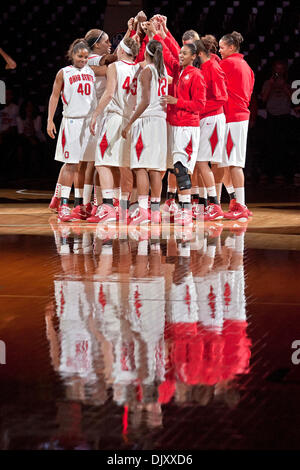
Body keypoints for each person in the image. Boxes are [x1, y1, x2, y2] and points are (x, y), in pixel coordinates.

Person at [148, 22, 206, 226]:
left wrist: (176, 102)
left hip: (188, 127)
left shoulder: (196, 75)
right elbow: (168, 54)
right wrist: (158, 34)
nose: (180, 55)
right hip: (174, 124)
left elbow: (200, 105)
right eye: (180, 53)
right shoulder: (180, 71)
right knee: (174, 168)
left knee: (181, 169)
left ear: (194, 56)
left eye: (184, 53)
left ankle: (186, 210)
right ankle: (179, 207)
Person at [89, 37, 141, 224]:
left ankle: (109, 207)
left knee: (102, 163)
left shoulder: (114, 67)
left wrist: (96, 114)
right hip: (132, 121)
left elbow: (109, 93)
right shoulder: (138, 68)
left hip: (114, 118)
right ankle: (124, 206)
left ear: (121, 50)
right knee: (125, 165)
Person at [47, 38, 97, 222]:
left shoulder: (92, 72)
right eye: (79, 56)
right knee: (71, 165)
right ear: (72, 55)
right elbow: (54, 96)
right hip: (72, 122)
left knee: (87, 164)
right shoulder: (64, 73)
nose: (83, 59)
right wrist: (50, 120)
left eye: (86, 57)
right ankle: (64, 205)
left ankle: (81, 204)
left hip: (89, 124)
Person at [122, 39, 168, 225]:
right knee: (155, 169)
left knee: (140, 166)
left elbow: (146, 100)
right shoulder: (163, 72)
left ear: (146, 53)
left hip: (146, 121)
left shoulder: (147, 71)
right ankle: (155, 211)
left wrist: (129, 123)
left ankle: (142, 210)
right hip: (161, 122)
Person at [217, 31, 254, 222]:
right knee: (225, 162)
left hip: (233, 118)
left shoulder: (227, 64)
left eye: (222, 47)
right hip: (235, 118)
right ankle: (234, 200)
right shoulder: (247, 66)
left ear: (231, 48)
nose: (220, 50)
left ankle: (242, 205)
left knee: (234, 163)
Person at [193, 39, 228, 221]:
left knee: (202, 162)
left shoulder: (213, 67)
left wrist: (199, 108)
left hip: (212, 118)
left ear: (199, 53)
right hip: (207, 118)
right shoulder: (207, 65)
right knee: (202, 163)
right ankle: (206, 204)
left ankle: (214, 204)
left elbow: (222, 97)